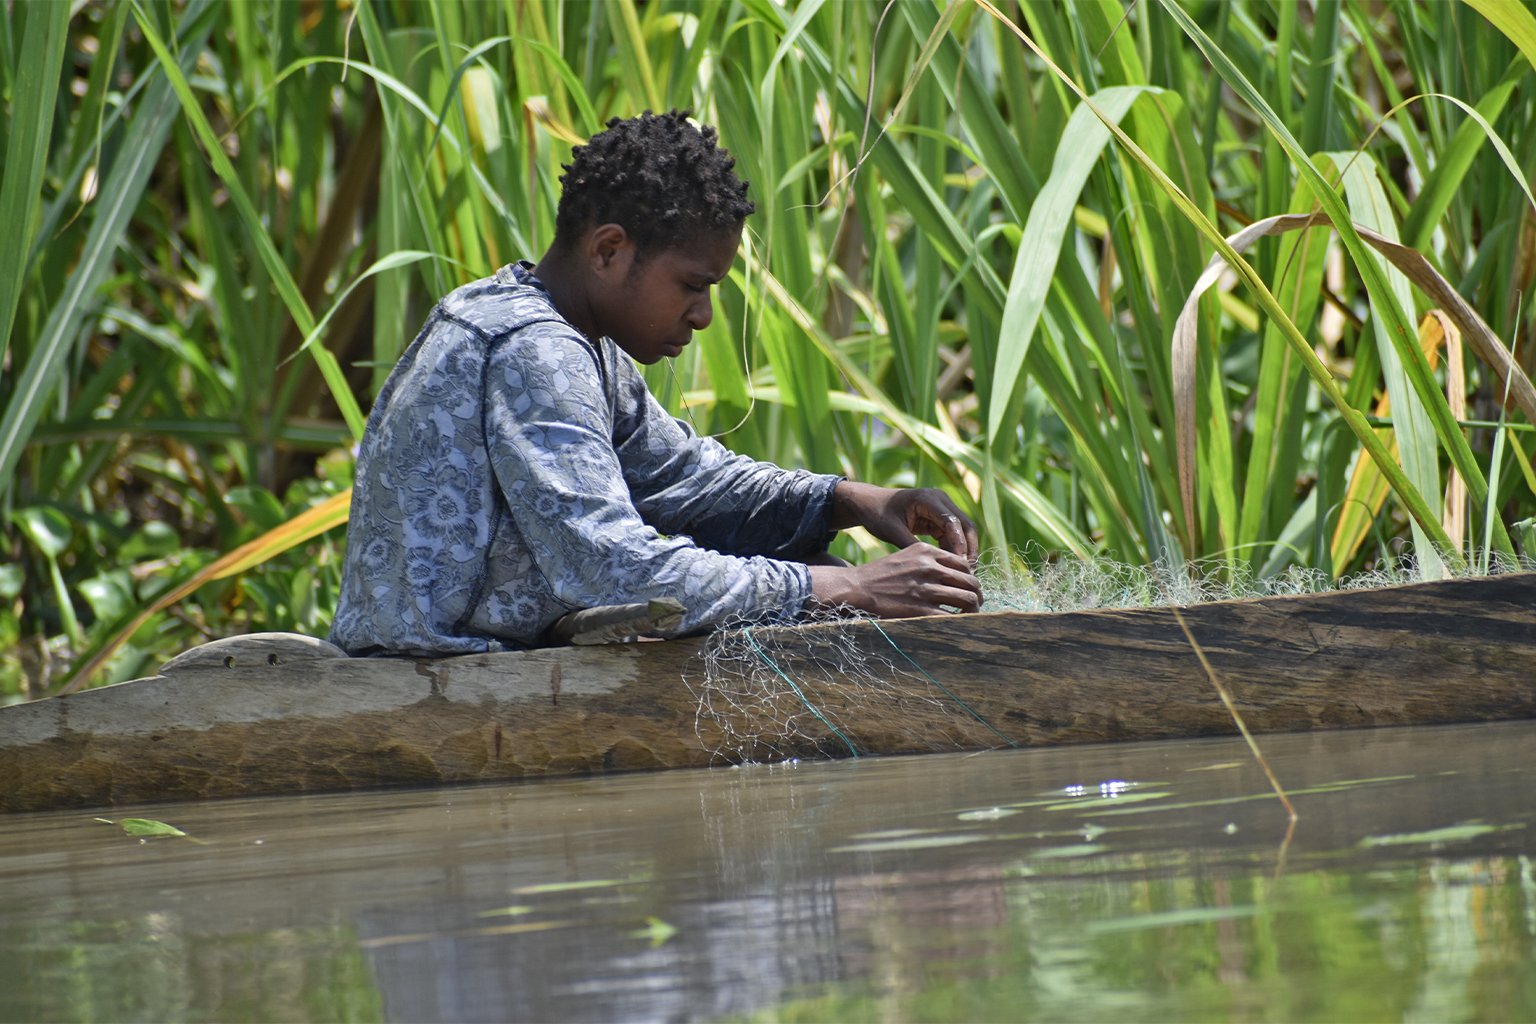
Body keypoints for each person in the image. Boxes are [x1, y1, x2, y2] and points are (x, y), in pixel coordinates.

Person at [330, 110, 982, 657]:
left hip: (486, 667)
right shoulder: (532, 348)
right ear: (609, 251)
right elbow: (612, 568)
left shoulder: (578, 341)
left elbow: (687, 480)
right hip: (431, 675)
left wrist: (857, 501)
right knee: (834, 595)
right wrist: (855, 588)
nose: (701, 315)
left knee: (828, 586)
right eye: (693, 286)